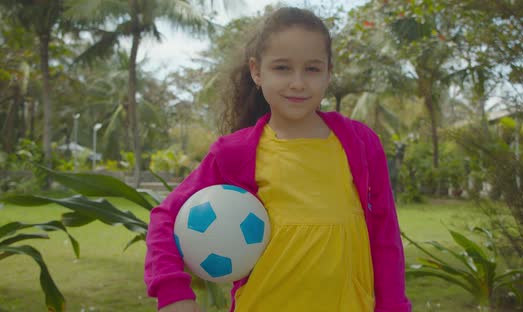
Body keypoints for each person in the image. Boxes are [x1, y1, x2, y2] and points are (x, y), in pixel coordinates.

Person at [145, 6, 411, 312]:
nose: (298, 82)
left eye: (312, 69)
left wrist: (393, 306)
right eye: (282, 68)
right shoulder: (235, 152)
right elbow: (164, 218)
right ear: (257, 71)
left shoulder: (361, 143)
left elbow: (384, 237)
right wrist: (173, 293)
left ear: (328, 73)